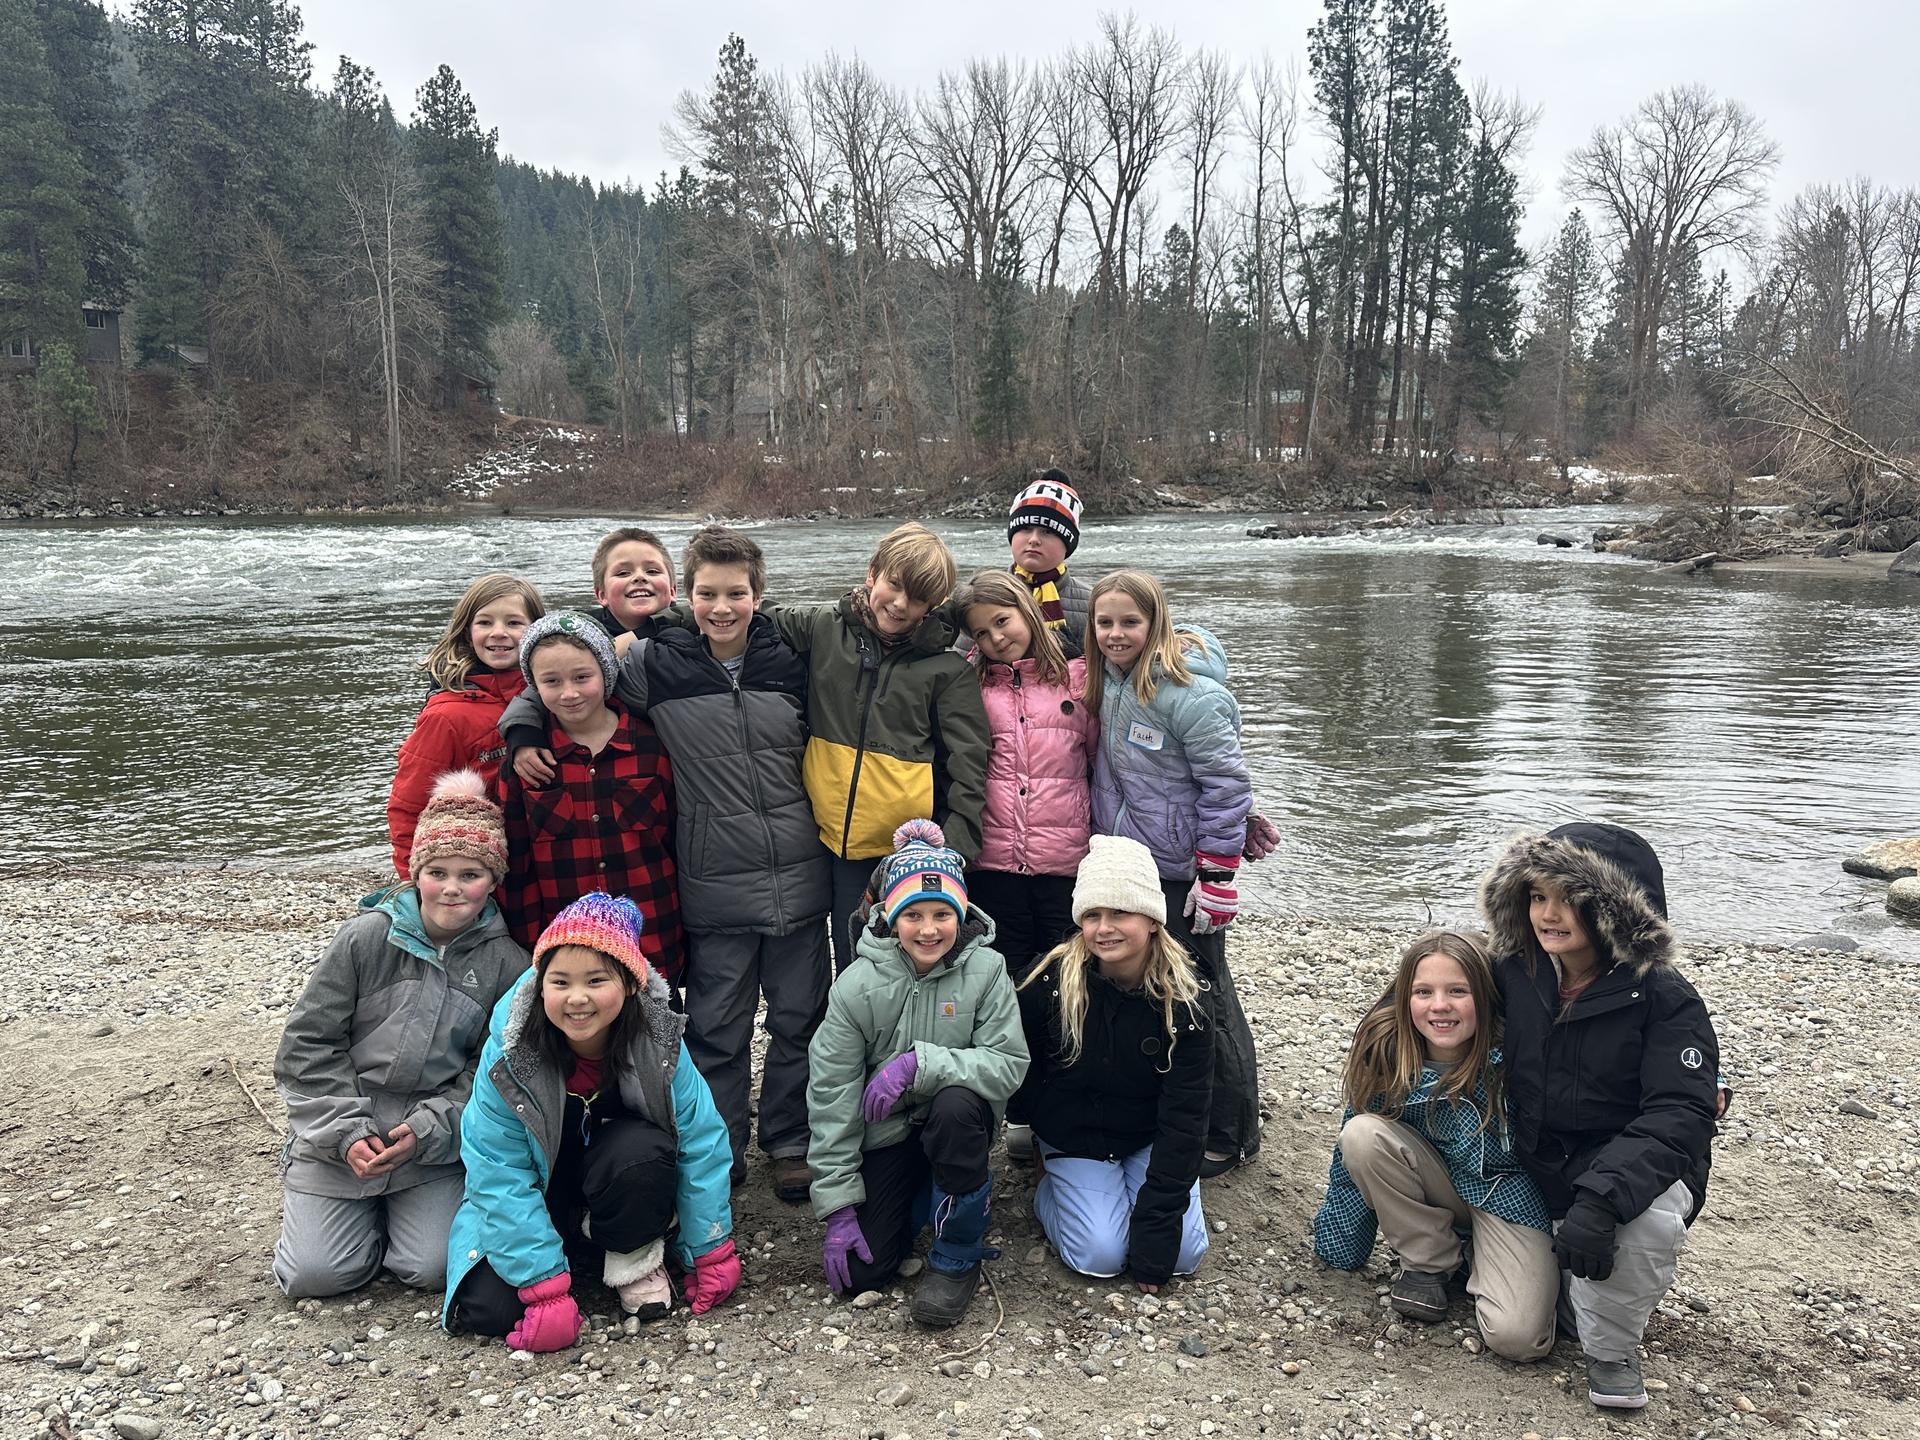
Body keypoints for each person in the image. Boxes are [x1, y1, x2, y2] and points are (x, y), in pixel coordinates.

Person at [504, 527, 829, 1203]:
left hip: (801, 873)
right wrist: (524, 727)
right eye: (708, 592)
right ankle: (723, 1144)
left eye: (735, 593)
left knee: (800, 1017)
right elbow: (567, 676)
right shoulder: (656, 660)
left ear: (757, 595)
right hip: (711, 883)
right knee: (717, 1028)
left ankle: (791, 1142)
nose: (722, 606)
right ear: (688, 595)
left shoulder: (791, 657)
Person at [656, 521, 990, 977]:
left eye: (916, 598)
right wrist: (646, 627)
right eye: (893, 584)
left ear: (933, 605)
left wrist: (956, 847)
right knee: (851, 957)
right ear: (873, 573)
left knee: (915, 959)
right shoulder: (822, 627)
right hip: (831, 841)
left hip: (907, 845)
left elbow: (969, 762)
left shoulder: (945, 669)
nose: (898, 603)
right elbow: (742, 612)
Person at [1479, 823, 1720, 1410]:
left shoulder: (1666, 997)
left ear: (1617, 909)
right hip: (1535, 1162)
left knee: (1644, 1222)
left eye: (1571, 899)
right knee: (1521, 1332)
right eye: (1537, 896)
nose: (1548, 914)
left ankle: (1612, 1352)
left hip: (1625, 1169)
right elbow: (1437, 1004)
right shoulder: (1513, 968)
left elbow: (1682, 1111)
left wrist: (1604, 1196)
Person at [443, 893, 738, 1351]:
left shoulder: (660, 1043)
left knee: (639, 1152)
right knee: (489, 1312)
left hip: (619, 1175)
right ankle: (565, 1249)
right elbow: (496, 1171)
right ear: (542, 987)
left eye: (596, 980)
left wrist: (711, 1250)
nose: (577, 999)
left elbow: (700, 1142)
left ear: (631, 983)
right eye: (560, 982)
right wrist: (544, 1290)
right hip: (542, 1191)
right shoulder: (509, 1054)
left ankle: (631, 1254)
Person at [274, 771, 528, 1297]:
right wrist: (346, 1134)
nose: (452, 889)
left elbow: (490, 1071)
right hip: (338, 1132)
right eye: (437, 872)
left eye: (470, 874)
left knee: (431, 1270)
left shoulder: (508, 963)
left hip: (432, 1142)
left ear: (493, 880)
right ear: (416, 874)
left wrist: (429, 1129)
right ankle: (336, 1205)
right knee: (314, 1277)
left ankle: (400, 1214)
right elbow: (307, 1046)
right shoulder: (364, 939)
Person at [805, 821, 1029, 1328]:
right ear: (889, 915)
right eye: (914, 915)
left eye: (942, 914)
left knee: (953, 1107)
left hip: (955, 1122)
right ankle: (916, 1201)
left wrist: (918, 1064)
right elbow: (831, 1093)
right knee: (864, 1274)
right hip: (884, 1133)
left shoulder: (989, 971)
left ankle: (957, 1248)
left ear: (962, 914)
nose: (929, 929)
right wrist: (838, 1203)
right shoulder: (855, 986)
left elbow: (1009, 1064)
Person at [1084, 569, 1259, 1176]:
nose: (1115, 633)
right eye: (1104, 622)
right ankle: (1177, 1106)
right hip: (1132, 863)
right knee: (1155, 989)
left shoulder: (1193, 694)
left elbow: (1227, 785)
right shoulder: (1108, 683)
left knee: (1204, 992)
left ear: (1156, 622)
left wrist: (1218, 875)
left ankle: (1231, 1130)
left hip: (1184, 870)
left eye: (1129, 621)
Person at [1312, 930, 1556, 1362]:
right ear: (1406, 997)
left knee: (1518, 1339)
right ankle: (1429, 1262)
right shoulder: (1386, 1051)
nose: (1439, 1006)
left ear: (1485, 995)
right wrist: (1341, 1248)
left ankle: (1484, 1259)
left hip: (1507, 1195)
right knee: (1363, 1135)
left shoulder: (1520, 1052)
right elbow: (1348, 1162)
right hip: (1431, 1183)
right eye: (1424, 992)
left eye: (1457, 991)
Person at [1015, 835, 1213, 1291]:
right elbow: (1019, 1065)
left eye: (1120, 913)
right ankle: (1050, 1189)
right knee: (1100, 1257)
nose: (1105, 928)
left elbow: (1188, 1113)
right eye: (1092, 915)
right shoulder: (1047, 982)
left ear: (1152, 920)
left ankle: (1134, 1198)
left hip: (1148, 1134)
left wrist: (1158, 1223)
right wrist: (1034, 1123)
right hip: (1075, 1134)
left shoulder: (1190, 997)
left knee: (1183, 1255)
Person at [495, 610, 683, 985]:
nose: (569, 693)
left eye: (582, 677)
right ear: (534, 684)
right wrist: (529, 943)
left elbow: (677, 840)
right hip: (563, 945)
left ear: (606, 673)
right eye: (552, 681)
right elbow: (516, 861)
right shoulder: (527, 760)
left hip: (652, 936)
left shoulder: (652, 746)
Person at [955, 568, 1096, 973]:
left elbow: (1100, 758)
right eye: (982, 633)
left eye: (1002, 621)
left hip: (1064, 862)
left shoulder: (1078, 679)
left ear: (1028, 610)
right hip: (993, 864)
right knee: (1006, 973)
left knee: (1066, 974)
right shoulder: (971, 687)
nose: (996, 638)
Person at [387, 573, 545, 877]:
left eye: (514, 623)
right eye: (485, 623)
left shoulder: (552, 694)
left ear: (537, 629)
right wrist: (415, 883)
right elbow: (407, 807)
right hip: (478, 869)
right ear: (466, 632)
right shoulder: (446, 715)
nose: (499, 633)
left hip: (543, 859)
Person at [1006, 470, 1092, 657]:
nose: (1034, 539)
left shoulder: (1091, 602)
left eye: (1047, 532)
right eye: (1026, 529)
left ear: (1067, 544)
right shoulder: (984, 593)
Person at [585, 527, 677, 637]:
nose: (639, 576)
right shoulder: (578, 635)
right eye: (623, 573)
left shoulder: (697, 627)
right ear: (602, 595)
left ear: (672, 591)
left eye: (652, 571)